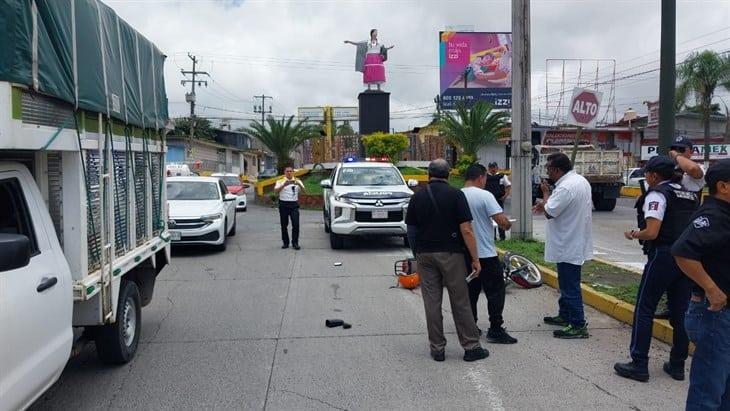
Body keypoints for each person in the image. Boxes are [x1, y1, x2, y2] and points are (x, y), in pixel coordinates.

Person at [613, 155, 699, 382]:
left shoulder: (658, 194)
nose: (647, 178)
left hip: (663, 256)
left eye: (648, 174)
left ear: (653, 175)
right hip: (687, 258)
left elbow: (652, 232)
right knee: (679, 312)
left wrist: (635, 234)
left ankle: (639, 363)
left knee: (645, 308)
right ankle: (677, 365)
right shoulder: (689, 194)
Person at [406, 159, 489, 362]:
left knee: (432, 302)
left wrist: (417, 252)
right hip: (452, 254)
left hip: (425, 254)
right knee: (460, 301)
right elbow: (466, 230)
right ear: (449, 174)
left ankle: (437, 349)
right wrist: (476, 259)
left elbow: (411, 229)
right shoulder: (456, 195)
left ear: (428, 175)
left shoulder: (418, 197)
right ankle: (470, 347)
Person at [671, 159, 730, 409]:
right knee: (708, 392)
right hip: (715, 315)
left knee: (724, 390)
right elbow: (682, 251)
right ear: (724, 187)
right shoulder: (714, 216)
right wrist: (712, 290)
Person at [532, 152, 593, 339]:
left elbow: (551, 212)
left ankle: (577, 324)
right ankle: (565, 314)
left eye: (548, 169)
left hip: (568, 242)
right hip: (574, 239)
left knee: (569, 285)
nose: (547, 172)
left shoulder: (566, 187)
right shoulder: (580, 181)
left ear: (557, 170)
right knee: (566, 282)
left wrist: (545, 194)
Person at [461, 164, 516, 344]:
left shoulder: (458, 195)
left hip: (465, 254)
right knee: (495, 292)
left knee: (470, 292)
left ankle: (471, 327)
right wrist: (508, 224)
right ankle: (495, 329)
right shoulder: (485, 195)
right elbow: (500, 221)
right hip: (485, 253)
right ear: (481, 177)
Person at [274, 166, 305, 250]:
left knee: (296, 224)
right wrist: (283, 185)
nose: (289, 173)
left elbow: (304, 192)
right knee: (284, 225)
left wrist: (299, 185)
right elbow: (276, 192)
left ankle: (295, 242)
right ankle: (285, 242)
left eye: (291, 171)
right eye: (287, 171)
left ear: (293, 172)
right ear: (284, 172)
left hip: (294, 205)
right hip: (283, 204)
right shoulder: (280, 181)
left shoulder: (297, 180)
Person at [484, 162, 512, 241]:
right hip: (488, 201)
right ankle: (492, 237)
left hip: (499, 200)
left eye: (494, 167)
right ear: (488, 168)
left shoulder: (502, 176)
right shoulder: (485, 176)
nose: (492, 169)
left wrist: (505, 196)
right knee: (490, 219)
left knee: (500, 218)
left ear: (497, 168)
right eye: (491, 167)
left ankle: (502, 237)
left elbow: (508, 186)